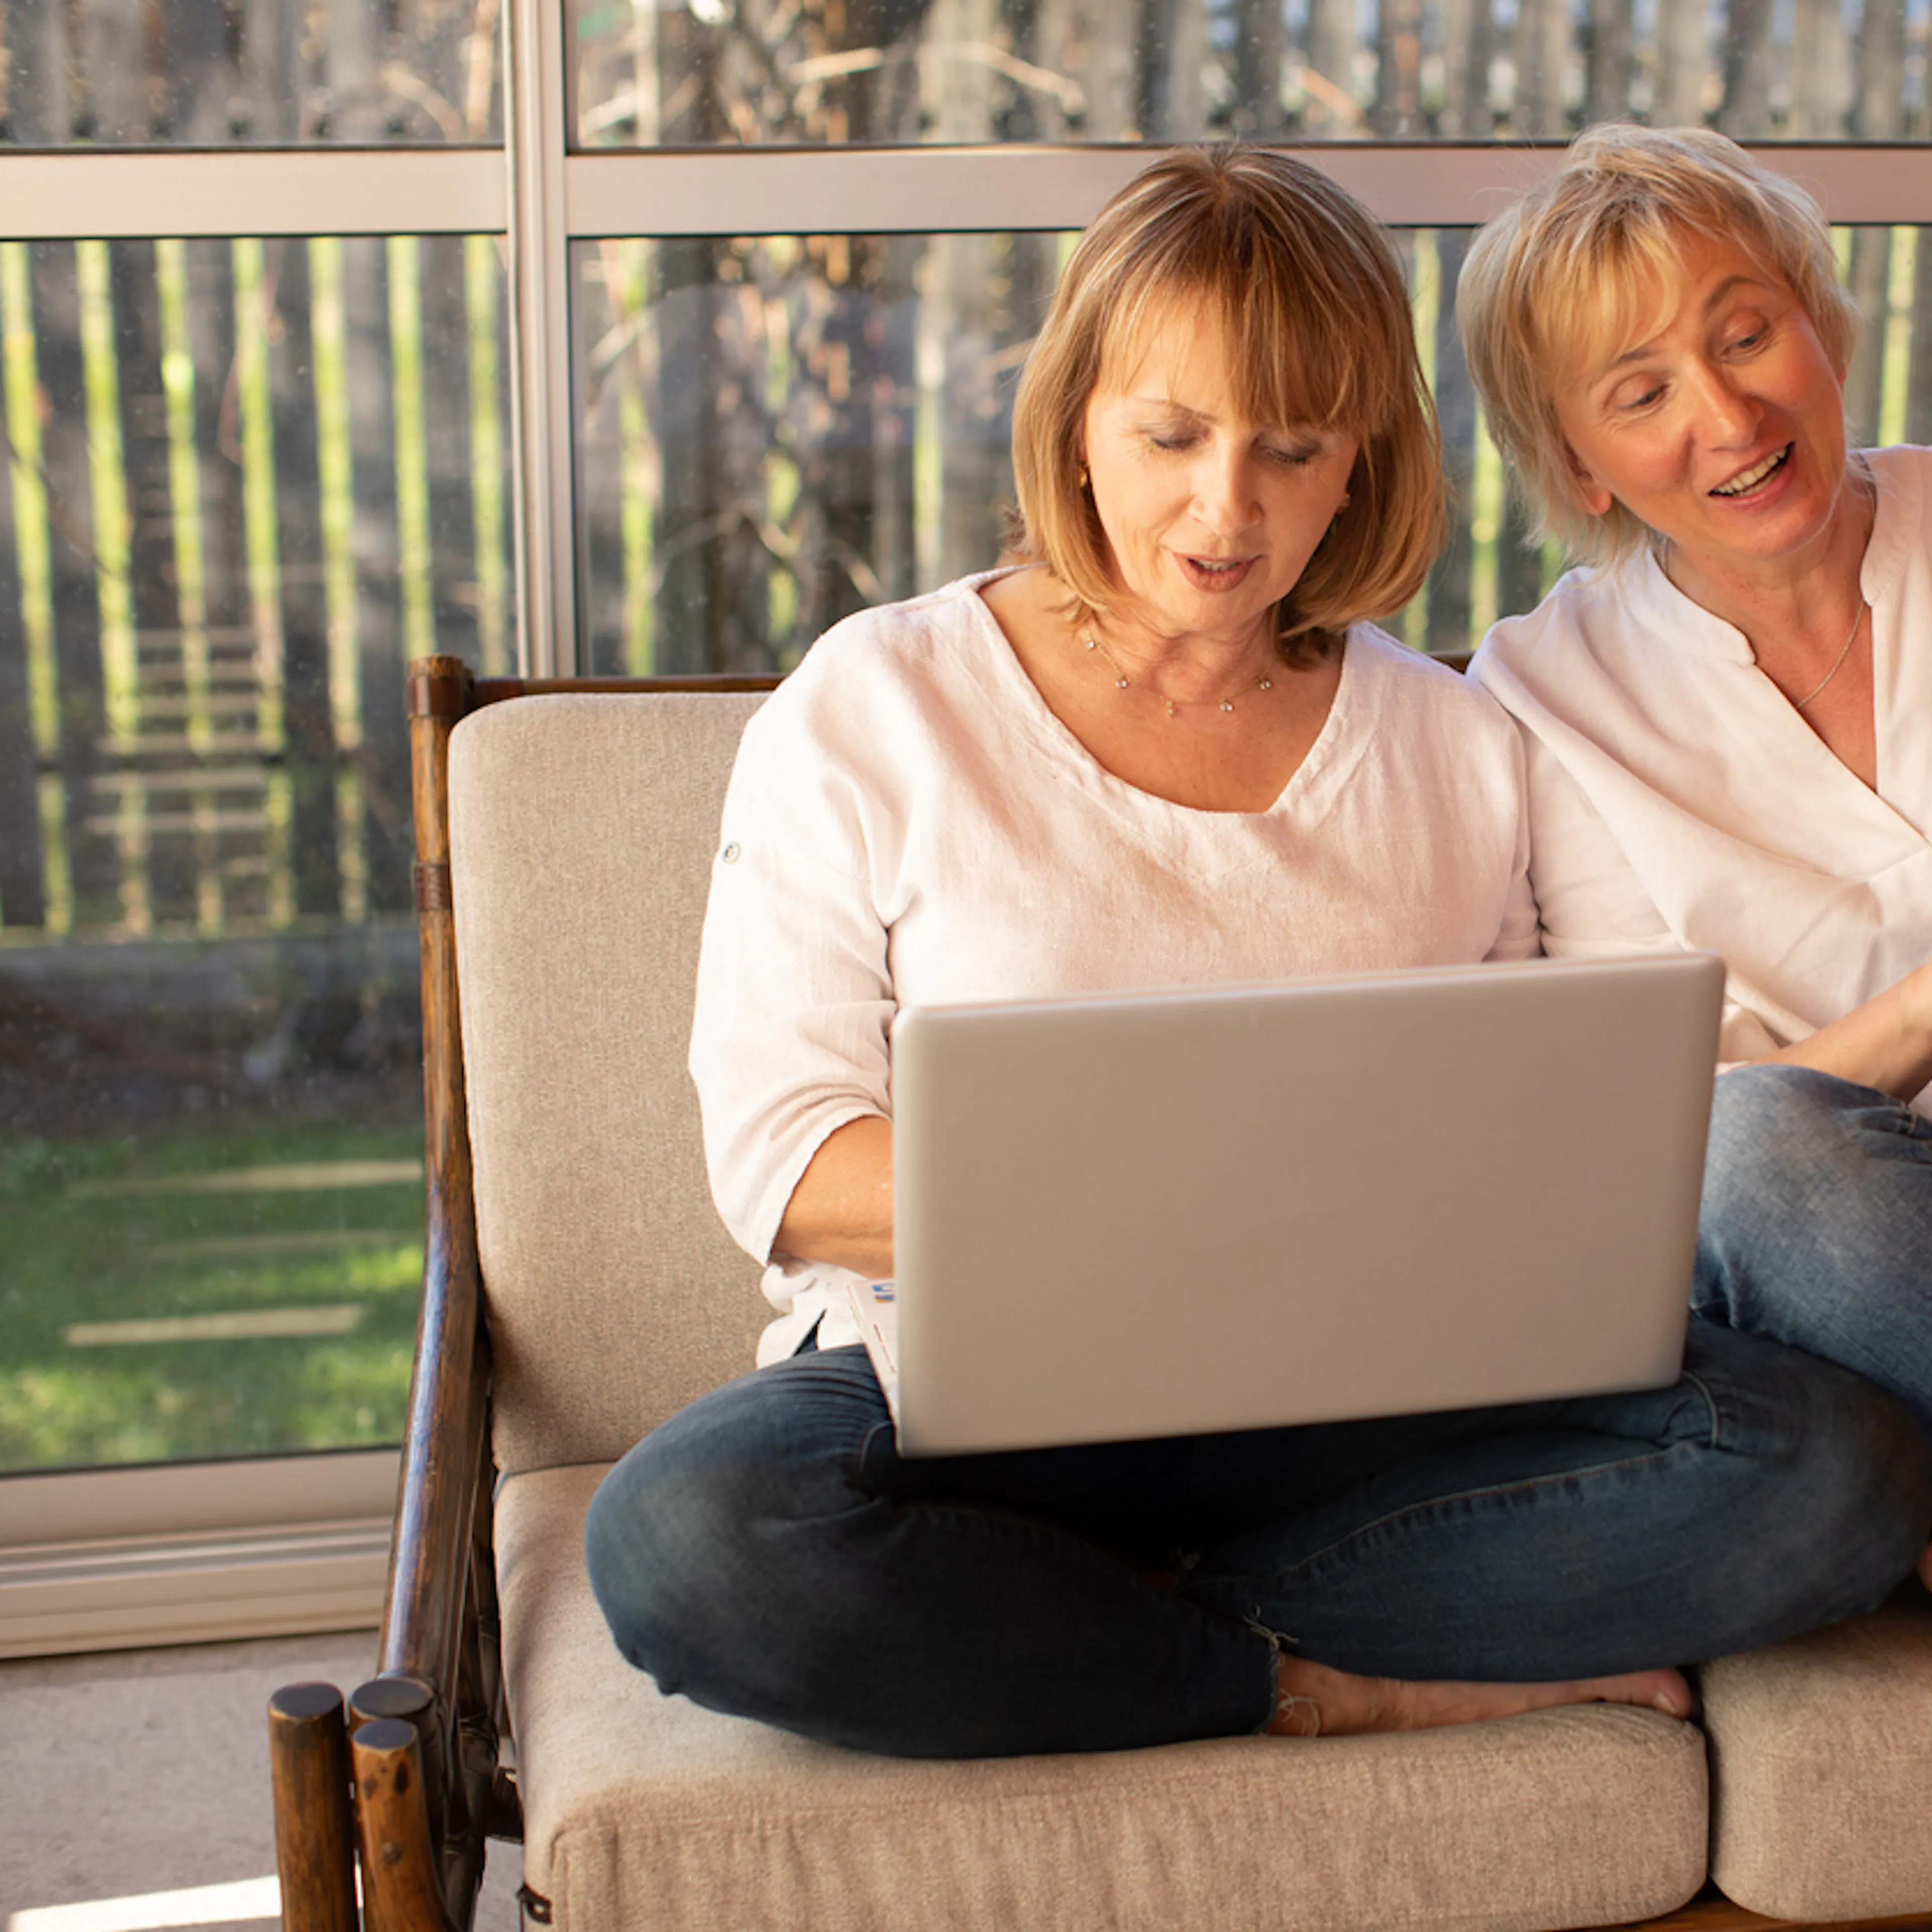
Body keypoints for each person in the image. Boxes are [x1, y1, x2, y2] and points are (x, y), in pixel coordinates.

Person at [583, 146, 1931, 1761]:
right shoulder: (877, 703)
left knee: (1836, 1468)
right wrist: (1196, 1179)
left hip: (1384, 1415)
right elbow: (791, 1165)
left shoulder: (1467, 738)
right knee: (691, 1536)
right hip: (987, 1401)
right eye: (1171, 436)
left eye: (1292, 449)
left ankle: (1089, 1616)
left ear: (1360, 462)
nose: (1227, 510)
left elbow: (1642, 1121)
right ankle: (1306, 1677)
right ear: (1077, 417)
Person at [1458, 125, 1932, 1583]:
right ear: (1578, 464)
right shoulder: (1544, 698)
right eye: (1643, 391)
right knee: (1756, 1154)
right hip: (1843, 1261)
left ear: (1821, 326)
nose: (1728, 415)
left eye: (1749, 335)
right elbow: (1683, 1144)